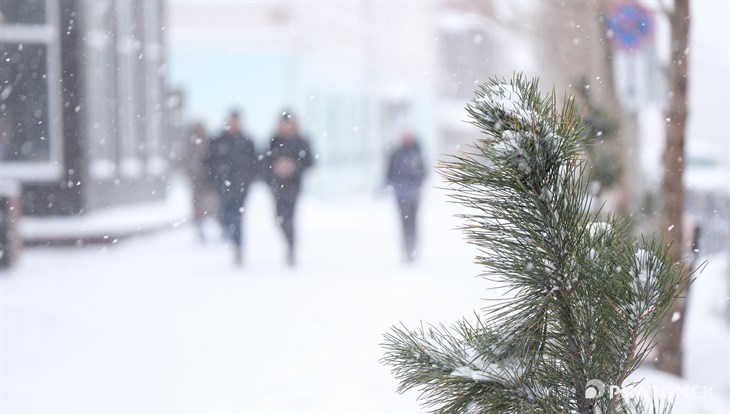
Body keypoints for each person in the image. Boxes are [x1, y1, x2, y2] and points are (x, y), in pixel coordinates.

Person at [204, 111, 258, 266]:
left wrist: (248, 179)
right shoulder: (217, 141)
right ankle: (232, 236)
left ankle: (238, 246)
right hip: (222, 187)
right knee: (224, 217)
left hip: (241, 188)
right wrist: (212, 178)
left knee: (238, 217)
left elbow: (255, 163)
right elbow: (208, 162)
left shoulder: (247, 141)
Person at [263, 110, 314, 266]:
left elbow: (309, 162)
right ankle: (289, 244)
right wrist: (275, 167)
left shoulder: (301, 141)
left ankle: (291, 248)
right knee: (279, 218)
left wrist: (293, 166)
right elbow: (264, 162)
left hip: (293, 186)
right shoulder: (274, 140)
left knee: (289, 218)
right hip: (276, 186)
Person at [386, 131, 426, 263]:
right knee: (404, 223)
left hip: (414, 194)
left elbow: (423, 173)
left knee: (413, 222)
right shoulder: (396, 153)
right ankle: (406, 251)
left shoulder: (417, 153)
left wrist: (417, 187)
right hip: (401, 194)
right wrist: (395, 185)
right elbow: (389, 173)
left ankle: (413, 250)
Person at [183, 122, 218, 243]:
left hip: (207, 184)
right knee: (198, 209)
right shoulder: (191, 146)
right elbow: (187, 164)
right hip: (196, 184)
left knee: (212, 207)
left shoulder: (209, 144)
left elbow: (212, 163)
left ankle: (218, 231)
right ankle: (201, 232)